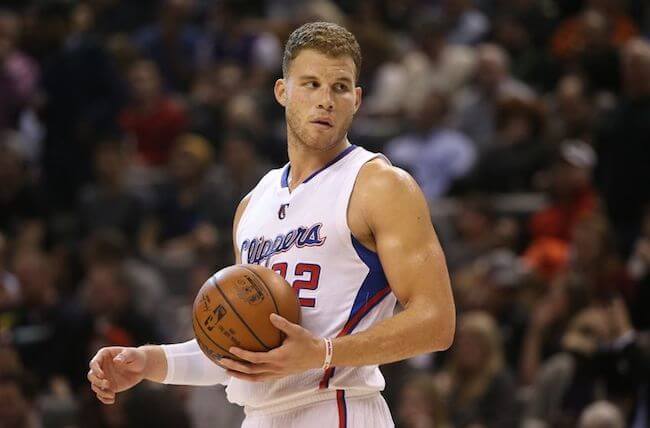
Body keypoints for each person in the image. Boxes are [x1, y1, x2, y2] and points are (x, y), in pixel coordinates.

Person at [87, 22, 456, 428]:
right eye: (311, 84)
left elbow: (436, 322)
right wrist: (148, 361)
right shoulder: (252, 205)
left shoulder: (379, 184)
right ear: (283, 92)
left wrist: (324, 352)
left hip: (337, 407)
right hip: (258, 417)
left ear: (357, 100)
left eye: (340, 87)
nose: (326, 100)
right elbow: (240, 346)